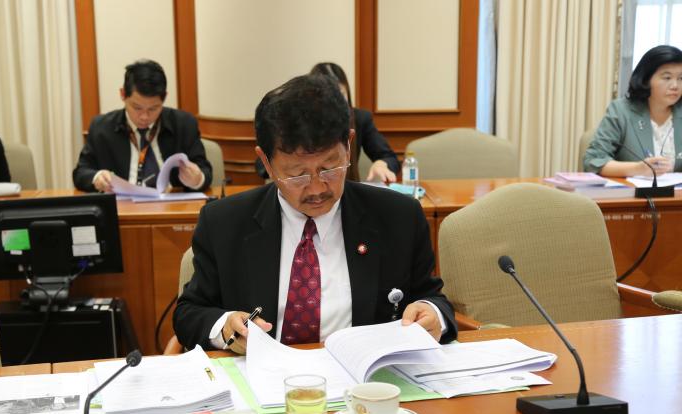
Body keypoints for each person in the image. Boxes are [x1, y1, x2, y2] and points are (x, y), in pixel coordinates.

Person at [173, 74, 457, 354]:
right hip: (263, 377)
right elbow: (189, 313)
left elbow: (433, 299)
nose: (317, 188)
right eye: (297, 175)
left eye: (330, 169)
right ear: (266, 163)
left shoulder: (398, 217)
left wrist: (432, 314)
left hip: (363, 378)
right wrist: (226, 326)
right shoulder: (224, 222)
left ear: (349, 145)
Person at [73, 59, 212, 193]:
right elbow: (80, 173)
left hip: (172, 204)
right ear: (123, 94)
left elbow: (205, 171)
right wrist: (97, 177)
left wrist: (197, 179)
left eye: (153, 108)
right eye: (137, 108)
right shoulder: (102, 127)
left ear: (164, 98)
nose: (144, 117)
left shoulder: (184, 124)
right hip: (122, 206)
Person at [255, 62, 401, 183]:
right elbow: (262, 164)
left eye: (339, 95)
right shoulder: (295, 122)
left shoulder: (360, 118)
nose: (333, 104)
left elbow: (389, 157)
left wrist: (381, 164)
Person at [585, 45, 682, 176]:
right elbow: (593, 161)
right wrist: (638, 168)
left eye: (681, 78)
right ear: (646, 79)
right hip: (632, 189)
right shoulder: (621, 111)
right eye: (667, 78)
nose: (675, 85)